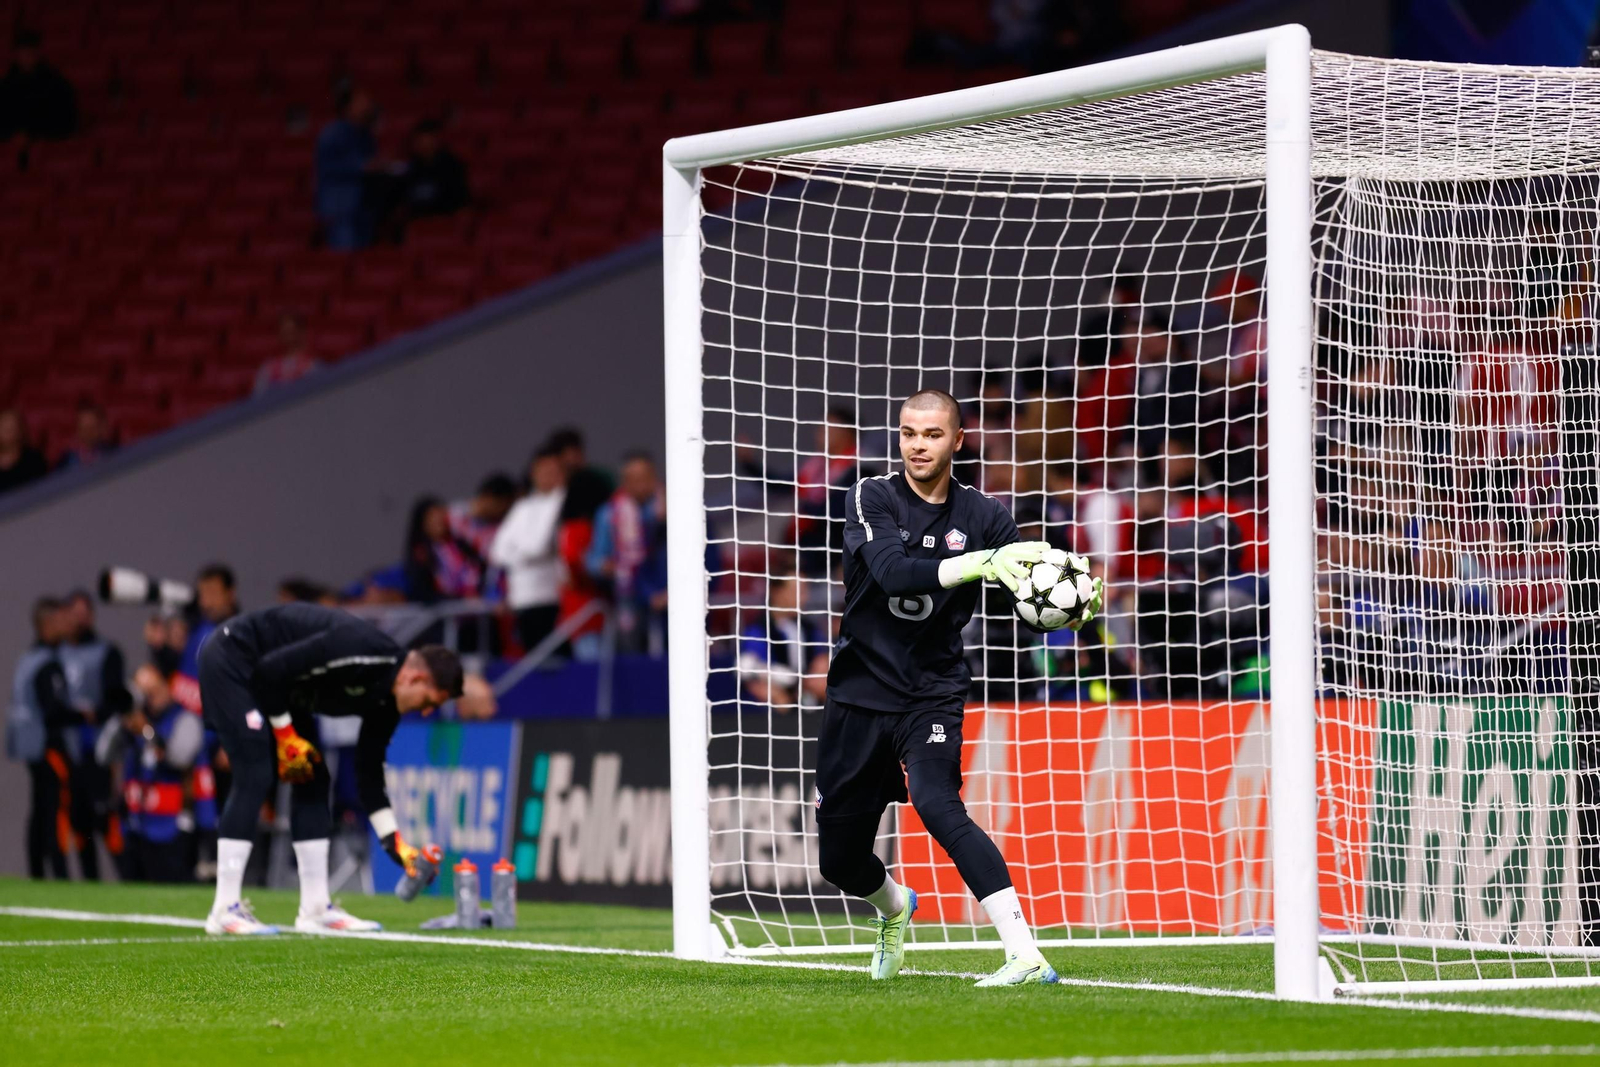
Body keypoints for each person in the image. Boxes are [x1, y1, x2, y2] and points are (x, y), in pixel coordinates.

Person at [816, 388, 1100, 986]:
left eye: (932, 434)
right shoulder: (872, 496)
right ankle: (895, 907)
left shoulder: (986, 518)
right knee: (839, 861)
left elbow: (1025, 595)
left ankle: (1025, 954)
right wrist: (983, 563)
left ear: (958, 440)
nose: (918, 445)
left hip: (931, 691)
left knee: (938, 804)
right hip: (859, 692)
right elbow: (894, 575)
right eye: (909, 433)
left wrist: (1066, 604)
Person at [199, 602, 462, 934]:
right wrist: (285, 735)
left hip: (284, 688)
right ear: (415, 677)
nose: (425, 712)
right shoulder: (360, 650)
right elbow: (268, 671)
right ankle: (224, 908)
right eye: (428, 702)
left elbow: (368, 773)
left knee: (313, 776)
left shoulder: (387, 700)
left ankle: (315, 907)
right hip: (236, 658)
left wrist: (395, 845)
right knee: (256, 770)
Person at [57, 590, 130, 880]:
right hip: (68, 751)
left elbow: (117, 700)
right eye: (73, 613)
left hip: (98, 752)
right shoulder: (56, 653)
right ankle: (90, 881)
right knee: (78, 820)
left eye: (84, 613)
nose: (79, 619)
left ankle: (127, 878)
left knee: (105, 817)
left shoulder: (106, 651)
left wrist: (95, 714)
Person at [118, 664, 213, 883]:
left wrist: (146, 731)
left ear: (166, 686)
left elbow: (178, 758)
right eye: (145, 693)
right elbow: (103, 754)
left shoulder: (184, 719)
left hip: (174, 826)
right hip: (139, 824)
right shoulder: (133, 722)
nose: (152, 697)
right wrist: (122, 721)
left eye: (155, 689)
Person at [8, 597, 76, 879]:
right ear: (47, 624)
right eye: (61, 619)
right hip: (47, 745)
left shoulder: (27, 659)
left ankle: (36, 873)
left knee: (39, 811)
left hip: (29, 746)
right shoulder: (47, 663)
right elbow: (53, 709)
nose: (66, 624)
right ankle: (59, 874)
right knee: (55, 809)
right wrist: (84, 716)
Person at [585, 452, 667, 652]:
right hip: (628, 598)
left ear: (654, 478)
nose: (640, 484)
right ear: (624, 482)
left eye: (645, 478)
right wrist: (605, 566)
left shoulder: (672, 508)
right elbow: (594, 558)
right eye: (633, 479)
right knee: (633, 659)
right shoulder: (609, 514)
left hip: (669, 597)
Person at [491, 445, 568, 653]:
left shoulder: (562, 501)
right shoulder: (523, 506)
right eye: (541, 470)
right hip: (521, 599)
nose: (546, 476)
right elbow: (497, 551)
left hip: (549, 598)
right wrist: (523, 553)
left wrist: (516, 551)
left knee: (552, 661)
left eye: (552, 471)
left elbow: (539, 546)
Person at [0, 28, 78, 168]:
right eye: (23, 51)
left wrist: (33, 135)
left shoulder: (55, 84)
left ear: (38, 52)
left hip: (51, 154)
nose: (27, 56)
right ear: (16, 54)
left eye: (31, 51)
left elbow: (66, 121)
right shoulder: (6, 86)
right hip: (11, 153)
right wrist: (12, 135)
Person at [315, 84, 378, 251]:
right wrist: (361, 167)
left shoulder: (366, 134)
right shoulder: (332, 134)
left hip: (364, 205)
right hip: (340, 207)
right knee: (344, 256)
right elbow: (327, 168)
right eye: (361, 101)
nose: (367, 105)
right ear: (347, 106)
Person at [404, 495, 485, 602]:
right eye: (432, 518)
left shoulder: (462, 545)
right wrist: (461, 600)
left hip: (477, 609)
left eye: (441, 516)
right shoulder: (421, 555)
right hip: (445, 613)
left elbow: (480, 570)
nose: (439, 521)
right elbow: (424, 593)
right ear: (422, 524)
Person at [396, 118, 469, 220]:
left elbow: (460, 201)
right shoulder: (411, 167)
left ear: (436, 140)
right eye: (418, 140)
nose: (422, 144)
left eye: (425, 139)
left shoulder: (452, 167)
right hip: (416, 222)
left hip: (445, 221)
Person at [253, 312, 321, 395]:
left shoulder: (312, 366)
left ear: (301, 332)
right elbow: (258, 398)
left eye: (291, 331)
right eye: (285, 331)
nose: (289, 336)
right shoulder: (268, 368)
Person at [0, 407, 47, 494]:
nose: (8, 432)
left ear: (20, 429)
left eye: (12, 427)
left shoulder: (33, 460)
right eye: (4, 427)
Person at [56, 401, 115, 469]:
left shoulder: (112, 453)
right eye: (85, 428)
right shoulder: (67, 460)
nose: (89, 433)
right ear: (78, 429)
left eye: (92, 427)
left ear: (100, 427)